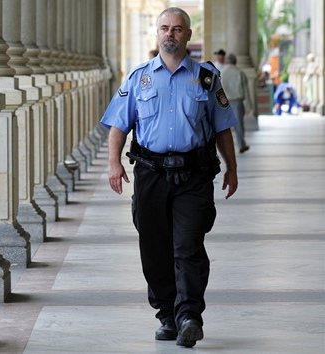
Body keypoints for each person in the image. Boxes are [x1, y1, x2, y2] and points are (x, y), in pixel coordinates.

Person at [100, 7, 238, 348]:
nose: (170, 34)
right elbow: (119, 125)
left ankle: (189, 315)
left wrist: (232, 167)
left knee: (188, 245)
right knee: (155, 248)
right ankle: (167, 315)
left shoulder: (207, 78)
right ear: (157, 33)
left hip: (194, 175)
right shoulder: (138, 78)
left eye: (177, 29)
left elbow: (223, 128)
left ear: (188, 35)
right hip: (150, 174)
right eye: (165, 28)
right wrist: (114, 163)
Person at [220, 53, 252, 153]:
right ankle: (241, 144)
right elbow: (246, 90)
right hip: (237, 102)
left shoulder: (221, 72)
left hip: (224, 103)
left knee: (224, 127)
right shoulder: (240, 72)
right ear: (235, 61)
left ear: (226, 61)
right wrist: (248, 105)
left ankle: (225, 148)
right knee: (239, 125)